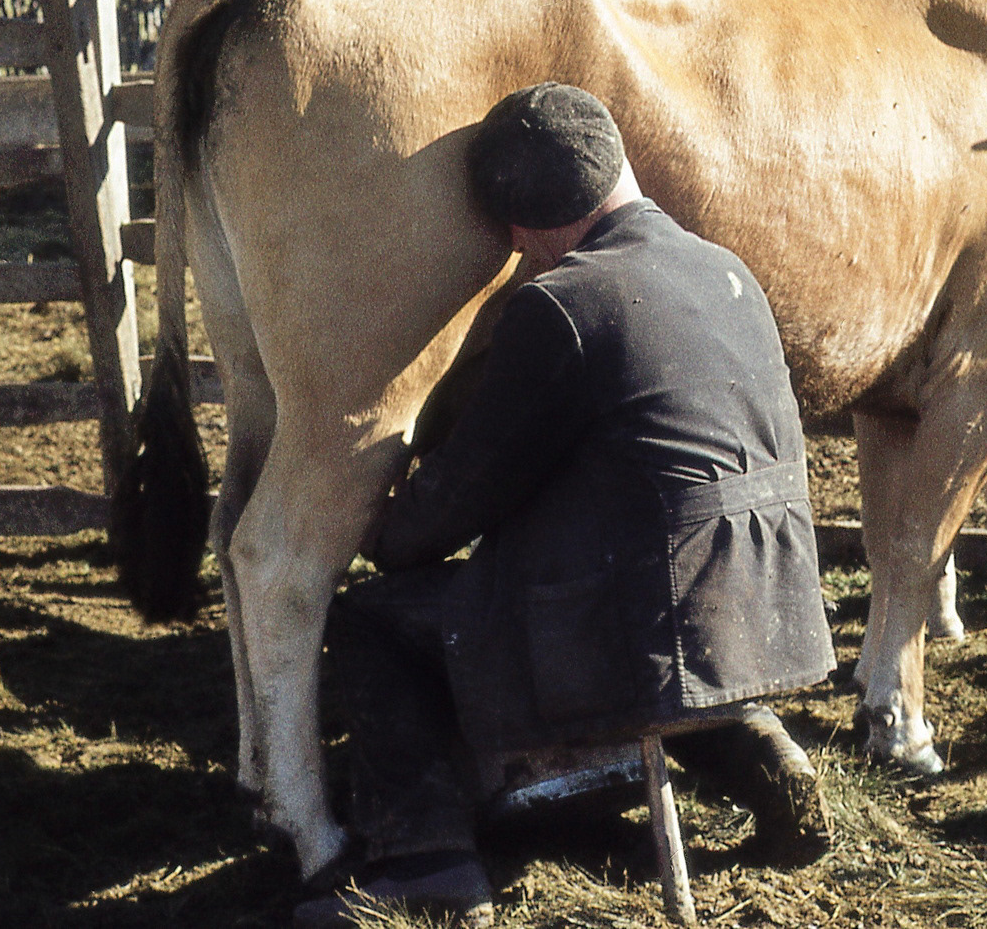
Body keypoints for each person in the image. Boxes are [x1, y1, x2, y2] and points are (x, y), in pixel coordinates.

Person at [294, 83, 838, 929]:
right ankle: (752, 743)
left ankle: (427, 867)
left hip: (644, 636)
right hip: (768, 616)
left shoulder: (560, 306)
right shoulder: (725, 269)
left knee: (377, 619)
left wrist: (386, 527)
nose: (516, 247)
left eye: (512, 232)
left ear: (520, 227)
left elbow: (458, 499)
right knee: (663, 583)